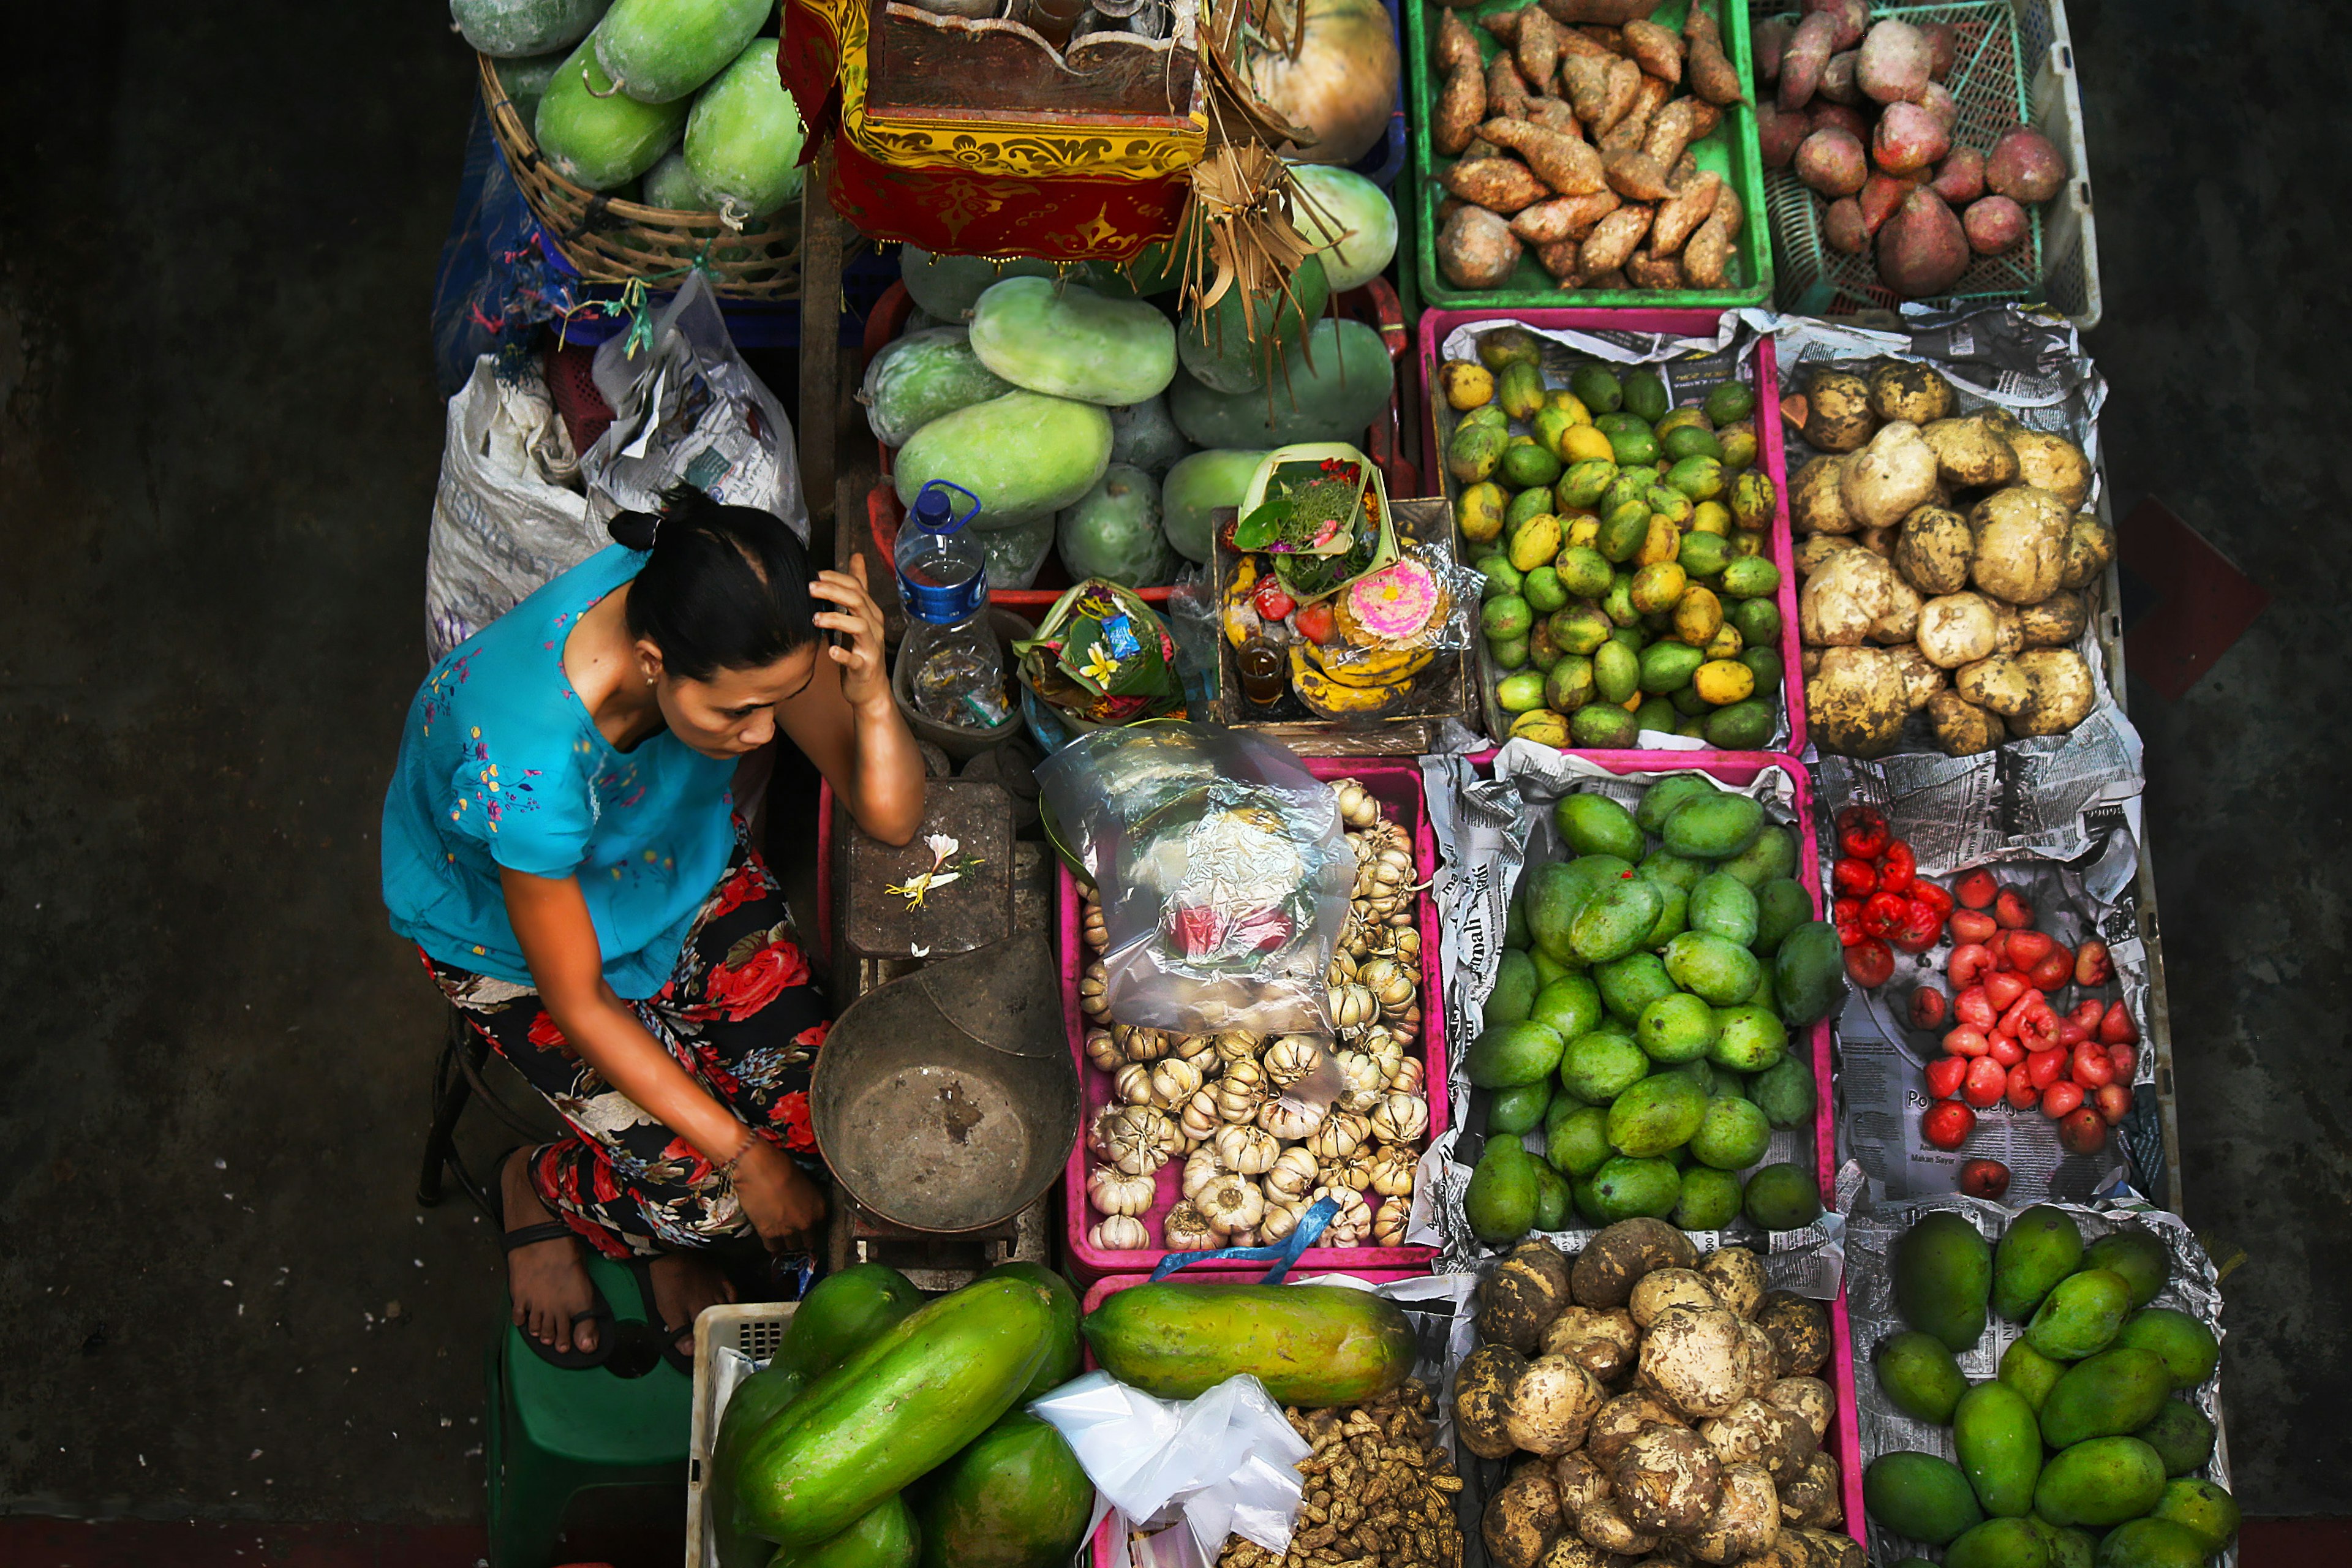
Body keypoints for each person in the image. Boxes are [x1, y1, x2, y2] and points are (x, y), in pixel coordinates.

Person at [382, 485, 923, 1366]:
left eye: (774, 706)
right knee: (717, 1204)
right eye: (734, 714)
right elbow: (580, 1000)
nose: (760, 736)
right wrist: (744, 1158)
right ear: (649, 661)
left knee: (823, 1119)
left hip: (672, 861)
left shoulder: (746, 621)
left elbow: (892, 817)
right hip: (514, 939)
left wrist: (865, 693)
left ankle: (667, 1235)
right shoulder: (526, 766)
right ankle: (543, 1189)